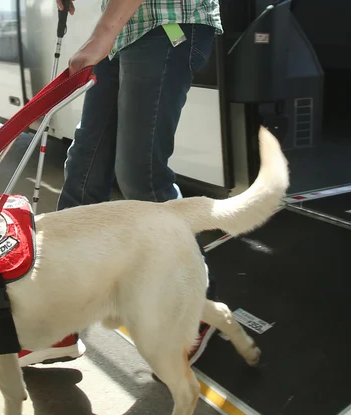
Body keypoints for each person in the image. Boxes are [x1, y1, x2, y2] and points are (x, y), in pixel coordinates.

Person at [15, 0, 223, 368]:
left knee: (140, 177)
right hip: (128, 30)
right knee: (84, 173)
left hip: (167, 24)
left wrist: (102, 34)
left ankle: (197, 313)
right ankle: (58, 324)